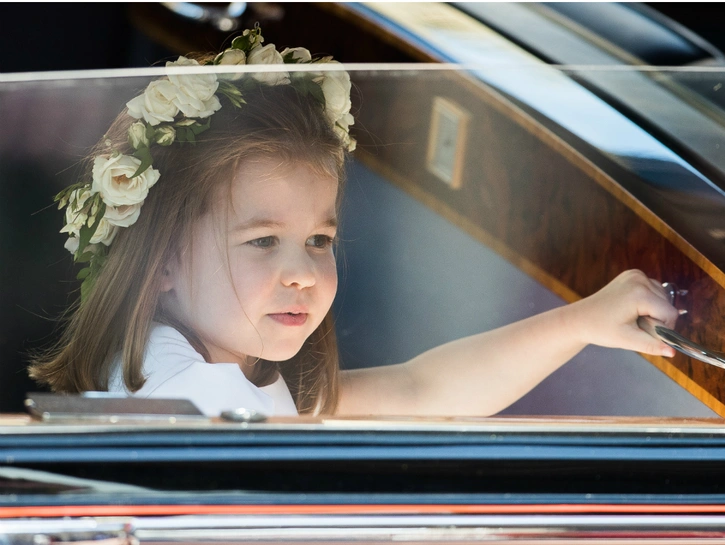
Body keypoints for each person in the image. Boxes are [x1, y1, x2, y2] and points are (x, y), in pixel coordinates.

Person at [28, 28, 680, 418]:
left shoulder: (193, 366)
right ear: (162, 258)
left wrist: (583, 321)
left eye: (320, 239)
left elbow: (420, 390)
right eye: (263, 240)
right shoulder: (201, 400)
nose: (303, 273)